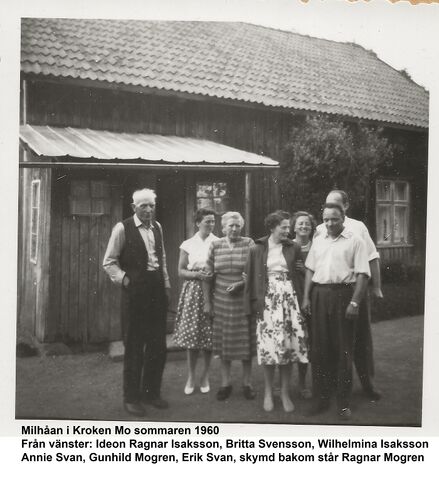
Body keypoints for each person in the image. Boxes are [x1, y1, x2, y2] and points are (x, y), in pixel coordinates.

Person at [103, 188, 171, 417]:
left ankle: (151, 393)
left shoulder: (158, 227)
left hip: (156, 291)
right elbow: (109, 262)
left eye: (152, 205)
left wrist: (166, 285)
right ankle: (131, 398)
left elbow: (161, 259)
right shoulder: (122, 228)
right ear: (134, 207)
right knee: (134, 346)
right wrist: (125, 279)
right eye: (143, 206)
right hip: (135, 293)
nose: (148, 210)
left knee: (157, 345)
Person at [303, 203, 370, 419]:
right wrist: (306, 297)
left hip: (343, 295)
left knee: (343, 351)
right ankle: (321, 400)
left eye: (334, 219)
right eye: (326, 220)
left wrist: (355, 302)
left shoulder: (355, 241)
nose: (330, 223)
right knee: (319, 350)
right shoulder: (318, 239)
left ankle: (343, 403)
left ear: (343, 218)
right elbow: (310, 269)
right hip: (319, 295)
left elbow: (363, 274)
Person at [315, 190, 382, 400]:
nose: (332, 208)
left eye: (336, 203)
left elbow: (372, 257)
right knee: (334, 341)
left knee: (361, 339)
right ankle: (335, 386)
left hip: (354, 290)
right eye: (328, 203)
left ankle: (368, 384)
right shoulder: (321, 228)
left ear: (346, 206)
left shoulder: (358, 227)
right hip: (330, 294)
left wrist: (377, 287)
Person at [245, 211, 308, 412]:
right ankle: (268, 392)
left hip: (289, 301)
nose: (287, 231)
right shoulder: (256, 248)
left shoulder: (294, 247)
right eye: (284, 227)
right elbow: (250, 279)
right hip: (267, 303)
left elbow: (301, 273)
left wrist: (302, 295)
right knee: (269, 348)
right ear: (272, 227)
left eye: (288, 227)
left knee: (287, 347)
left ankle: (285, 393)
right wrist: (250, 306)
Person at [203, 211, 256, 401]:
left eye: (237, 225)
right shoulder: (215, 245)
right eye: (230, 225)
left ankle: (247, 384)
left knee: (245, 343)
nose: (234, 228)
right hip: (222, 301)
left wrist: (240, 284)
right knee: (224, 343)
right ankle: (225, 384)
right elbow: (207, 276)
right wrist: (207, 302)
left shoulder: (249, 243)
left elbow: (256, 271)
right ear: (223, 228)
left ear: (242, 227)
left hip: (244, 300)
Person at [173, 208, 218, 395]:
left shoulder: (218, 242)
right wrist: (197, 275)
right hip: (193, 291)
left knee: (209, 336)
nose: (211, 224)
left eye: (213, 221)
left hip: (214, 290)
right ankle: (191, 376)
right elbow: (181, 271)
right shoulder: (188, 244)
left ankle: (205, 375)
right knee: (192, 335)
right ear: (198, 223)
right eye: (207, 221)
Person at [290, 210, 317, 399]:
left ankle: (307, 383)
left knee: (309, 343)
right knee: (290, 341)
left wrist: (305, 271)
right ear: (293, 227)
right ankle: (287, 384)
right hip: (291, 299)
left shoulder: (317, 247)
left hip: (313, 298)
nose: (304, 226)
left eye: (307, 223)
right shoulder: (287, 246)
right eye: (300, 223)